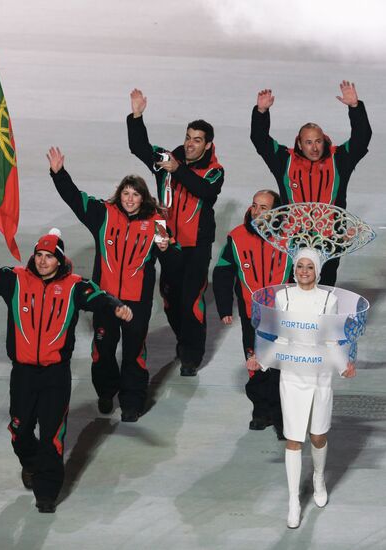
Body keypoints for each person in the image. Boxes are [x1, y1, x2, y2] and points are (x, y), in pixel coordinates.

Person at [0, 229, 132, 513]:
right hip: (22, 374)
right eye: (39, 255)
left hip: (55, 375)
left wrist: (117, 307)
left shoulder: (75, 286)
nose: (43, 261)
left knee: (52, 435)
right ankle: (30, 462)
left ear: (59, 260)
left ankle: (46, 493)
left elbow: (100, 298)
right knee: (19, 431)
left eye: (49, 256)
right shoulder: (15, 280)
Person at [47, 147, 180, 422]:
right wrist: (59, 174)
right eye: (126, 193)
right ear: (119, 195)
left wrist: (167, 248)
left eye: (135, 194)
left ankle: (132, 402)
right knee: (103, 351)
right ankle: (106, 391)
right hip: (105, 301)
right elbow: (75, 198)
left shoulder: (156, 222)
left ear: (143, 197)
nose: (130, 199)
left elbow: (173, 262)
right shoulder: (102, 214)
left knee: (134, 353)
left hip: (137, 303)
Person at [247, 248, 356, 529]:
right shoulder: (283, 297)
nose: (304, 271)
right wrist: (262, 360)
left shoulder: (328, 300)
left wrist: (344, 364)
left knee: (318, 436)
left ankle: (319, 477)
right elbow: (280, 338)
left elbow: (331, 339)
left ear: (317, 271)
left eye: (309, 267)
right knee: (294, 439)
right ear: (294, 270)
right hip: (293, 374)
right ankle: (294, 501)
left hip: (319, 374)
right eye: (299, 267)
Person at [127, 88, 225, 376]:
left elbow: (203, 191)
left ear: (208, 145)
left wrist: (178, 168)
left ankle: (191, 355)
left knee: (191, 300)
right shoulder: (166, 160)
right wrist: (136, 115)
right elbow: (138, 146)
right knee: (170, 299)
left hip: (196, 245)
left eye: (197, 140)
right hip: (165, 242)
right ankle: (184, 339)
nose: (191, 144)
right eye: (188, 138)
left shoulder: (215, 170)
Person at [250, 81, 372, 285]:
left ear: (324, 141)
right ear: (299, 142)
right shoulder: (285, 160)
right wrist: (261, 112)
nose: (314, 148)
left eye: (318, 141)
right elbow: (259, 139)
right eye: (308, 142)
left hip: (331, 239)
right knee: (294, 288)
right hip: (294, 239)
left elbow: (362, 138)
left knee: (324, 289)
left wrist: (355, 107)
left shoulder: (339, 160)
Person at [213, 190, 291, 439]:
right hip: (252, 316)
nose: (257, 212)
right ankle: (261, 411)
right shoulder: (236, 237)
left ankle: (282, 419)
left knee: (280, 367)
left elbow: (307, 269)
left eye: (264, 208)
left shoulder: (291, 238)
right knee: (255, 363)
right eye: (255, 205)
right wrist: (225, 308)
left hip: (283, 316)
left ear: (276, 212)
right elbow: (223, 272)